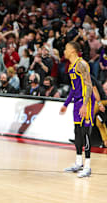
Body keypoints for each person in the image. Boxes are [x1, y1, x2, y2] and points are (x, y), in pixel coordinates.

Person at [60, 41, 95, 178]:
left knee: (86, 133)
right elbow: (74, 89)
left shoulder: (82, 64)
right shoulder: (71, 68)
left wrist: (85, 105)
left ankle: (87, 166)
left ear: (73, 51)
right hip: (77, 103)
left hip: (86, 102)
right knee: (77, 132)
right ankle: (78, 162)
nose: (64, 51)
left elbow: (90, 86)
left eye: (66, 48)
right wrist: (66, 104)